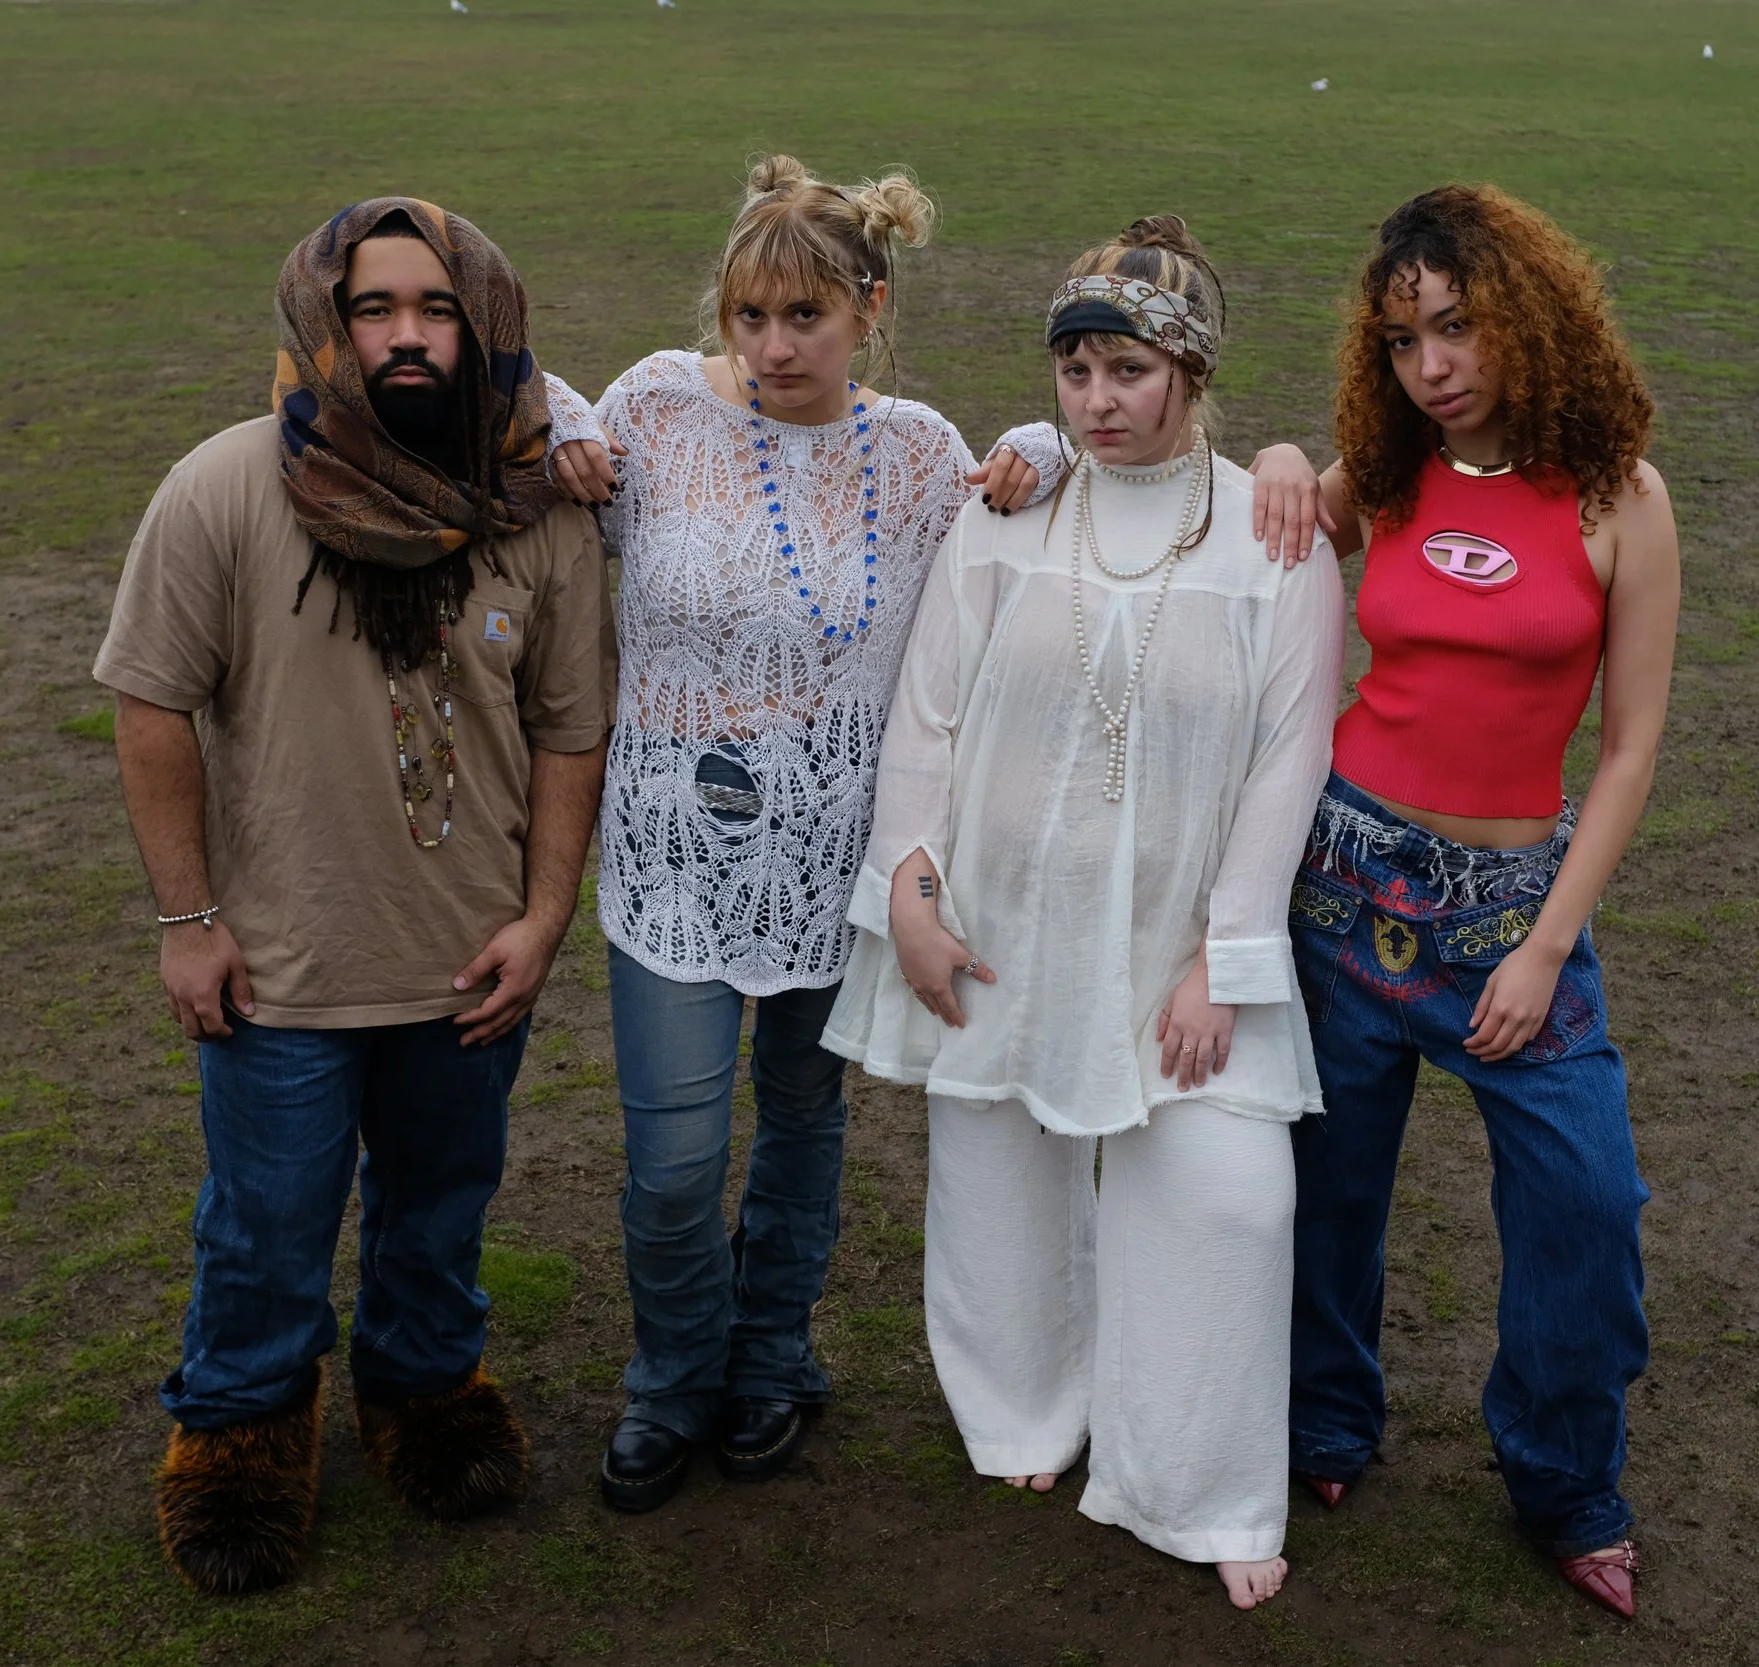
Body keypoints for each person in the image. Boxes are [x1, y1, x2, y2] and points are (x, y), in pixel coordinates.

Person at [94, 198, 619, 1594]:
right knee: (266, 1221)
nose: (402, 336)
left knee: (443, 1203)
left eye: (434, 309)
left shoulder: (536, 507)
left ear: (481, 323)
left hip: (469, 956)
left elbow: (573, 727)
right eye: (374, 309)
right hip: (280, 964)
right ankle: (240, 1433)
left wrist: (547, 909)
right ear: (328, 323)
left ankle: (424, 1389)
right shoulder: (223, 486)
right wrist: (187, 918)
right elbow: (150, 703)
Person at [822, 217, 1341, 1610]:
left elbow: (1292, 762)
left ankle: (1206, 1479)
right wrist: (911, 894)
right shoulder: (1008, 509)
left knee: (1229, 1201)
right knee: (995, 1166)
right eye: (1076, 371)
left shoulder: (1270, 535)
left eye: (1128, 370)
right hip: (1001, 917)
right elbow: (924, 718)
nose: (1098, 401)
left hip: (1178, 942)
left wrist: (1221, 960)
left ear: (1190, 370)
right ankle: (1023, 1408)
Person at [538, 156, 1067, 1513]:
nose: (771, 349)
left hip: (836, 861)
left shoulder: (916, 453)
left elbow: (1038, 535)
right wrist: (544, 412)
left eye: (804, 319)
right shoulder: (653, 404)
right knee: (671, 1162)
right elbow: (532, 419)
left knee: (802, 1125)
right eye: (749, 317)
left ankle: (773, 1355)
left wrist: (1049, 449)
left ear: (868, 309)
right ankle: (671, 1378)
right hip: (671, 850)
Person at [1267, 184, 1680, 1620]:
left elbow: (1627, 746)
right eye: (1402, 339)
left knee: (1587, 1204)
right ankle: (1325, 1419)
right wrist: (1273, 454)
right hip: (1349, 877)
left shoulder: (1620, 497)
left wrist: (1547, 943)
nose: (1430, 366)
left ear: (1528, 317)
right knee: (1327, 1187)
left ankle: (1565, 1482)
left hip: (1515, 911)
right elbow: (1251, 528)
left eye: (1456, 327)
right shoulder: (1382, 470)